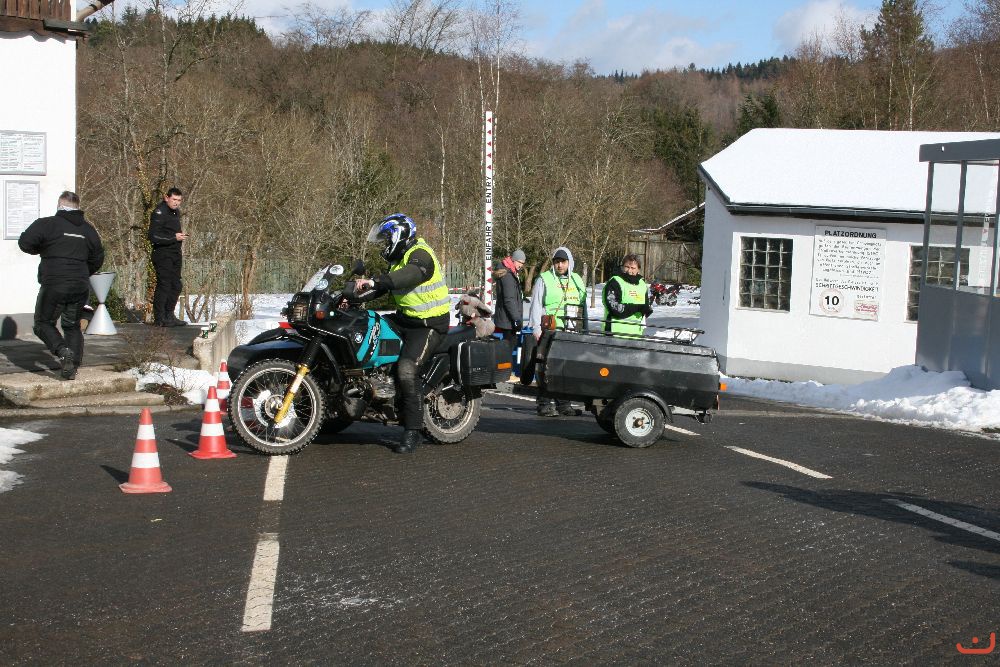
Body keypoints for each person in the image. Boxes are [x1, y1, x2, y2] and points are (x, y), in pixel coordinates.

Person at [355, 213, 450, 454]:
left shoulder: (420, 254)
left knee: (407, 369)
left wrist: (376, 281)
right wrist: (350, 297)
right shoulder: (397, 260)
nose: (386, 244)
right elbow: (384, 286)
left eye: (388, 238)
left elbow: (412, 274)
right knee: (366, 329)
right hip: (405, 318)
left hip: (429, 324)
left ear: (400, 234)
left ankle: (413, 430)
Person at [18, 191, 105, 380]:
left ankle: (63, 352)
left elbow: (25, 243)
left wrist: (43, 249)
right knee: (72, 325)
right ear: (78, 207)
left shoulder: (47, 224)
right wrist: (83, 272)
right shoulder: (88, 230)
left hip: (54, 284)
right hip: (80, 285)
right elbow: (98, 257)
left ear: (59, 205)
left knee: (43, 323)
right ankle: (72, 366)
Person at [527, 246, 587, 417]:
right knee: (547, 368)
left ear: (569, 262)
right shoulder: (544, 279)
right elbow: (536, 304)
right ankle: (544, 404)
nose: (560, 265)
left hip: (571, 331)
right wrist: (536, 328)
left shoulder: (577, 280)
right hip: (550, 331)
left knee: (566, 369)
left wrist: (585, 329)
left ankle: (564, 404)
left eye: (563, 262)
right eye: (557, 262)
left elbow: (583, 306)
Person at [148, 187, 189, 326]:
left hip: (175, 253)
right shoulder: (159, 212)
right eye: (174, 199)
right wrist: (173, 237)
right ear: (166, 198)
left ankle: (169, 315)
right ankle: (160, 318)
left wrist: (179, 237)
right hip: (162, 253)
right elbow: (153, 236)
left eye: (179, 200)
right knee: (164, 284)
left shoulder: (175, 212)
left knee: (176, 285)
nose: (176, 202)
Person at [602, 254, 652, 338]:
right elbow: (614, 308)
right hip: (614, 333)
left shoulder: (642, 284)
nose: (629, 270)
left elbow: (645, 307)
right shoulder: (615, 282)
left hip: (635, 334)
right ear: (622, 267)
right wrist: (637, 308)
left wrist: (647, 310)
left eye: (633, 268)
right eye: (627, 267)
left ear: (638, 269)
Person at [492, 248, 525, 342]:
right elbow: (509, 299)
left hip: (506, 317)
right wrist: (516, 319)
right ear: (513, 260)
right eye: (519, 262)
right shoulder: (508, 276)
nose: (521, 265)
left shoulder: (509, 272)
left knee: (508, 345)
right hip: (508, 319)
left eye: (523, 263)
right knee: (510, 345)